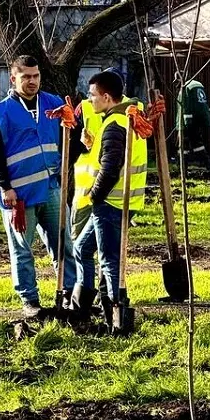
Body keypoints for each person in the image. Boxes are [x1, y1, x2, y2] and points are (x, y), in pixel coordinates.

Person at [0, 56, 76, 318]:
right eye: (26, 77)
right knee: (22, 250)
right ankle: (30, 300)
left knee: (64, 244)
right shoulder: (0, 112)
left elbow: (73, 140)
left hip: (51, 189)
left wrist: (74, 124)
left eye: (36, 76)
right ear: (13, 78)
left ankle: (69, 294)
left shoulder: (53, 103)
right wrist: (4, 187)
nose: (32, 81)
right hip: (18, 195)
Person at [70, 70, 148, 330]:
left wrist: (94, 196)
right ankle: (81, 308)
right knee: (81, 248)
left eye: (93, 95)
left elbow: (110, 168)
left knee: (109, 260)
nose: (89, 100)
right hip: (113, 203)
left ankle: (116, 318)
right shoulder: (124, 117)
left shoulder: (115, 125)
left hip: (110, 204)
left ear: (106, 97)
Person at [176, 78, 210, 173]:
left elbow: (185, 107)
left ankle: (182, 168)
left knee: (183, 145)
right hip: (199, 119)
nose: (176, 85)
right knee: (197, 143)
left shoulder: (184, 88)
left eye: (177, 82)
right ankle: (208, 166)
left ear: (180, 80)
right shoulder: (197, 85)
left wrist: (182, 125)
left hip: (187, 121)